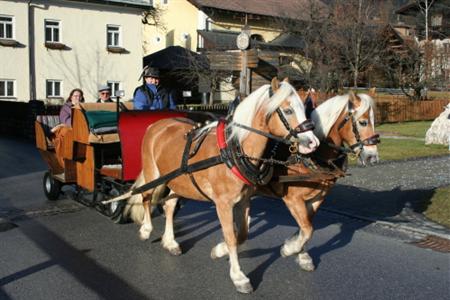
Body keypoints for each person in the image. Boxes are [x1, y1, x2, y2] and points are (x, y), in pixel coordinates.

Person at [54, 88, 84, 166]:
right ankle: (64, 162)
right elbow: (65, 120)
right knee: (66, 135)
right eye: (75, 96)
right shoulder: (66, 107)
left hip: (81, 129)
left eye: (79, 96)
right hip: (67, 128)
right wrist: (78, 122)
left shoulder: (84, 107)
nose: (78, 97)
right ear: (71, 97)